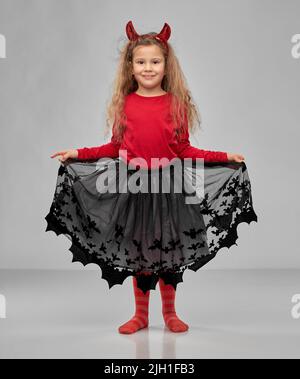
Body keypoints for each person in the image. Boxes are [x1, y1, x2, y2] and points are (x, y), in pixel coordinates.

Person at [46, 21, 257, 334]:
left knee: (169, 252)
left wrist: (225, 157)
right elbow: (113, 147)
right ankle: (141, 316)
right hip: (135, 187)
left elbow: (184, 149)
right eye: (141, 62)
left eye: (155, 62)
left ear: (165, 65)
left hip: (170, 186)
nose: (148, 68)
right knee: (140, 252)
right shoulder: (126, 104)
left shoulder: (176, 104)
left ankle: (170, 314)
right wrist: (77, 153)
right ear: (131, 67)